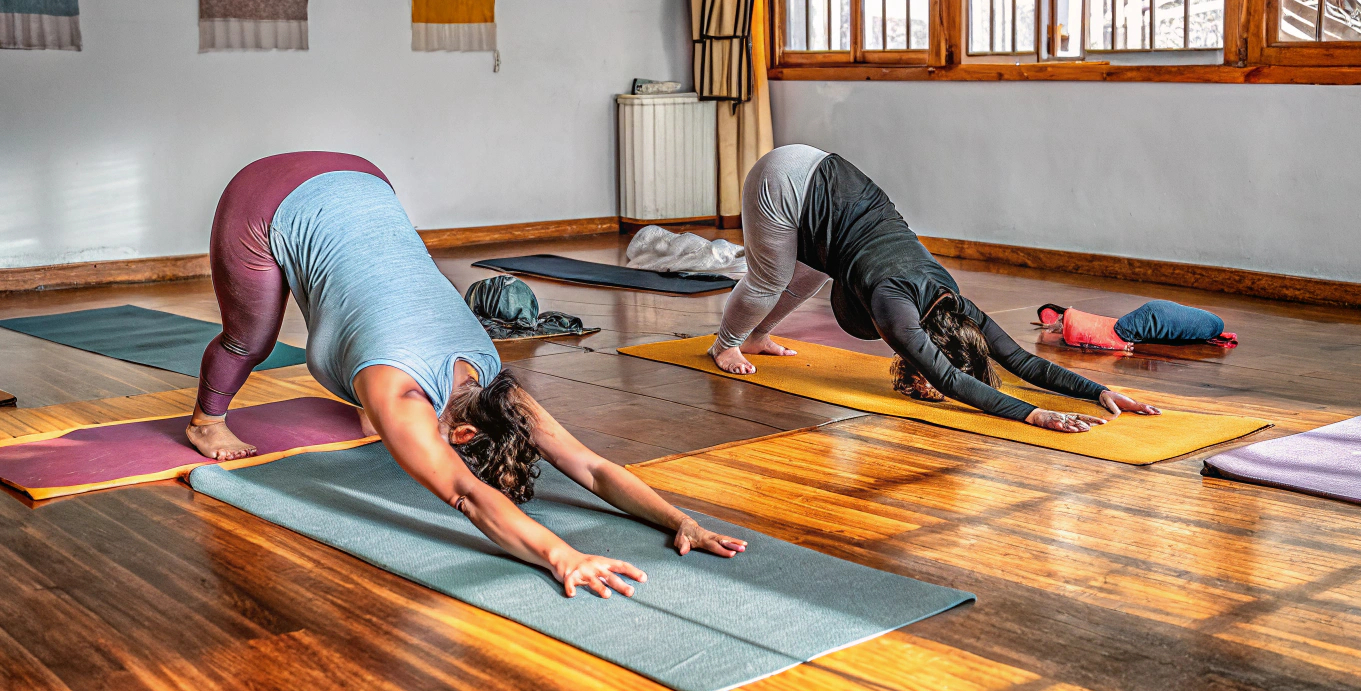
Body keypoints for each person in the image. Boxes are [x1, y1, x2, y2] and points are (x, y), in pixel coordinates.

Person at [189, 152, 745, 598]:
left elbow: (594, 470)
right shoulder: (401, 393)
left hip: (361, 177)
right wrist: (563, 556)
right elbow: (468, 495)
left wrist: (681, 520)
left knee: (355, 321)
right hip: (265, 198)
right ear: (459, 433)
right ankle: (205, 420)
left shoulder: (492, 379)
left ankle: (349, 366)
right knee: (251, 338)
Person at [709, 146, 1161, 433]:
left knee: (807, 277)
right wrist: (1036, 415)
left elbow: (1022, 361)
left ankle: (755, 335)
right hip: (784, 181)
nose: (933, 387)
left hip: (826, 178)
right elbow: (951, 378)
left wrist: (1096, 391)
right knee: (770, 278)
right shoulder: (894, 307)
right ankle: (726, 345)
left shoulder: (955, 305)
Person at [1036, 300, 1238, 353]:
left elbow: (1103, 341)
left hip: (1144, 319)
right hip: (1149, 315)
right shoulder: (1124, 328)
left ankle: (1061, 320)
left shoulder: (1122, 330)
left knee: (1122, 331)